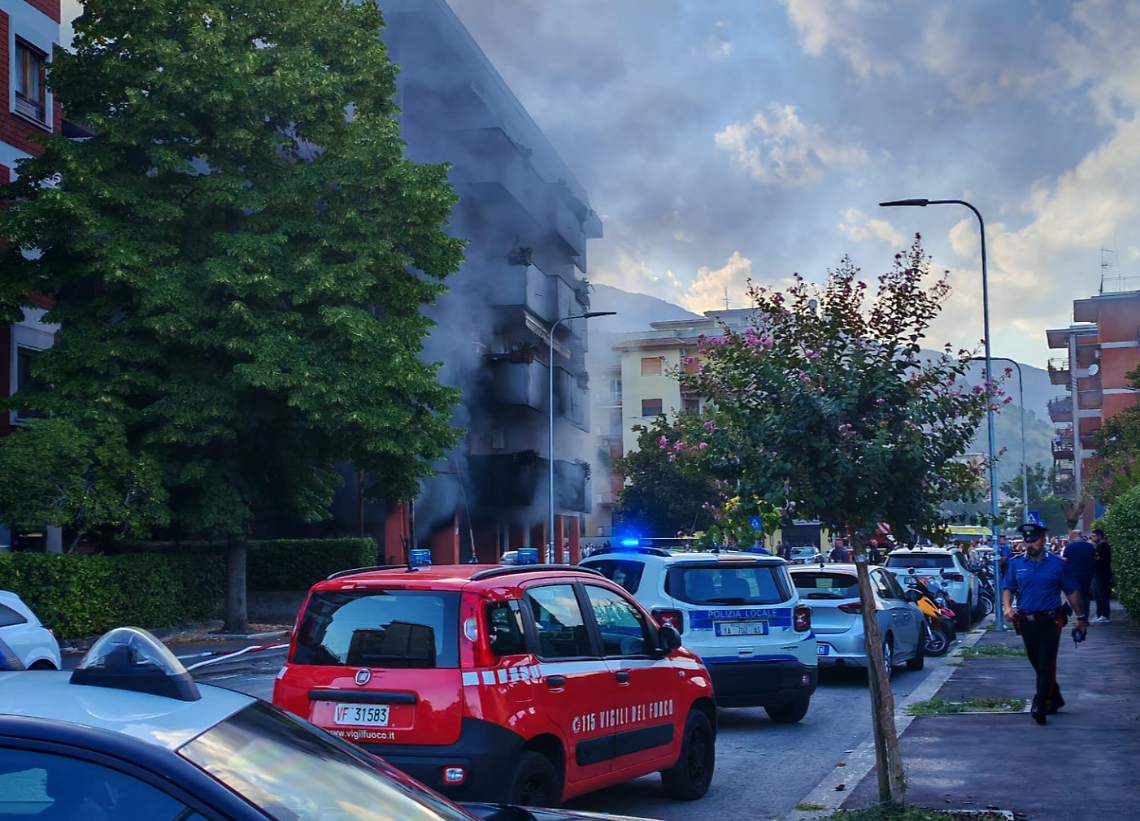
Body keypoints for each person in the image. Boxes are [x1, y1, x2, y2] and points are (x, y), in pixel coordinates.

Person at [1002, 522, 1088, 724]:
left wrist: (1081, 618)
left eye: (1033, 540)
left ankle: (1040, 704)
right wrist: (1007, 608)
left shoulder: (1058, 564)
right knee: (1036, 662)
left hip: (1050, 621)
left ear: (1043, 541)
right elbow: (1008, 588)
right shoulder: (1016, 564)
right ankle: (1055, 697)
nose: (1029, 544)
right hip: (1026, 621)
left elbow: (1072, 592)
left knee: (1046, 663)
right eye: (1027, 541)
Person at [1062, 529, 1096, 620]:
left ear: (1073, 536)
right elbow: (1094, 557)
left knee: (1075, 595)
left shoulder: (1070, 547)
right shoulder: (1089, 546)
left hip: (1074, 574)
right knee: (1085, 596)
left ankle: (1079, 615)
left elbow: (1064, 559)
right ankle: (1085, 617)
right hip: (1087, 574)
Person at [1091, 528, 1113, 623]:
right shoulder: (1099, 546)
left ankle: (1105, 614)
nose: (1093, 538)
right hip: (1097, 573)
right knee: (1097, 594)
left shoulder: (1104, 546)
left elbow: (1100, 559)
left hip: (1102, 573)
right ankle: (1099, 614)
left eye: (1094, 536)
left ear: (1100, 536)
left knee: (1102, 594)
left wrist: (1095, 558)